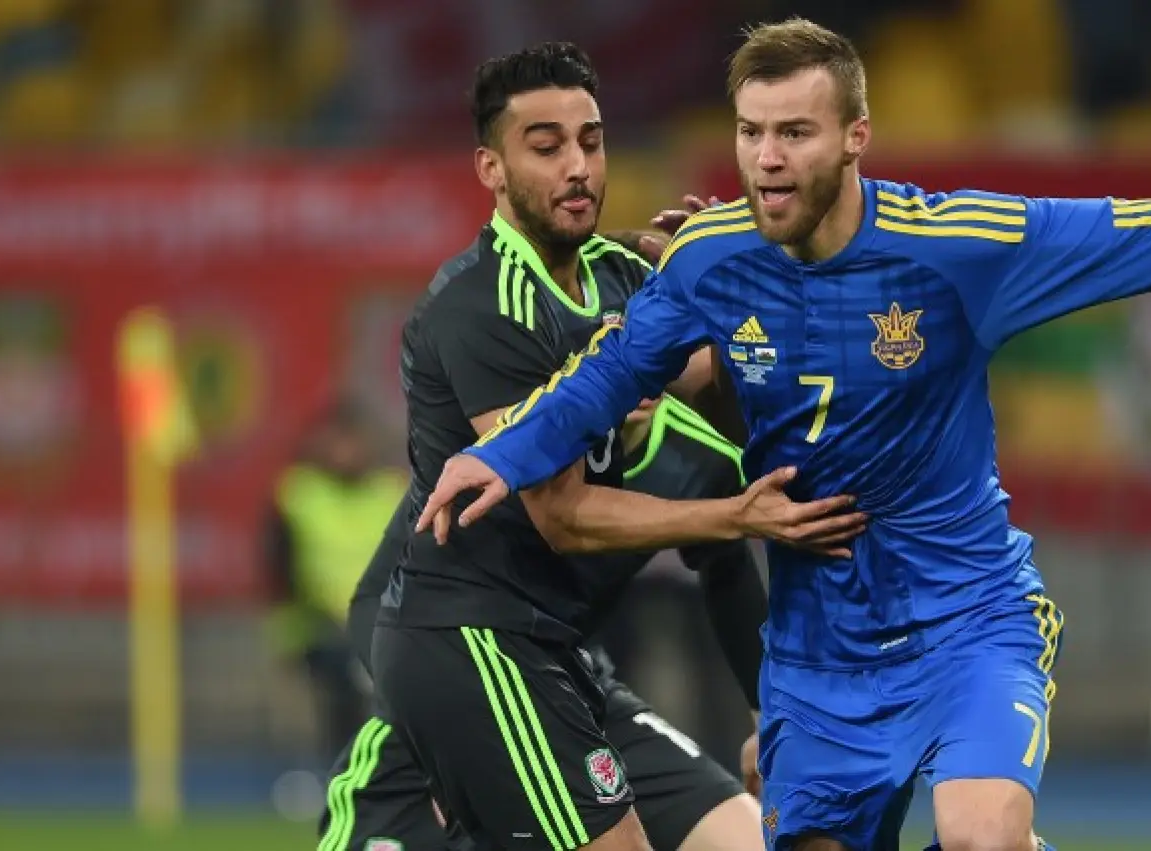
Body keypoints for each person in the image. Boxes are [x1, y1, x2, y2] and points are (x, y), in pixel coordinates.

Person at [418, 18, 1151, 851]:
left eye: (794, 133)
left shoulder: (958, 246)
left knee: (979, 829)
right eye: (750, 134)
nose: (767, 160)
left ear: (855, 139)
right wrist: (499, 454)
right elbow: (603, 382)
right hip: (818, 654)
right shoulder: (708, 258)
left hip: (965, 620)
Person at [369, 41, 860, 851]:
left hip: (564, 654)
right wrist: (738, 514)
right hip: (475, 643)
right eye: (546, 147)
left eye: (591, 142)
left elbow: (737, 410)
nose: (578, 168)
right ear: (492, 169)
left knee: (745, 841)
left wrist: (729, 291)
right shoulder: (483, 307)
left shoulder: (623, 276)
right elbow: (561, 514)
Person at [322, 394, 766, 851]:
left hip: (574, 692)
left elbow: (729, 572)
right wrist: (424, 725)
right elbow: (374, 597)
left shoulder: (701, 459)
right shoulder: (509, 437)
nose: (642, 381)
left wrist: (765, 719)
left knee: (752, 841)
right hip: (450, 698)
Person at [266, 398, 409, 762]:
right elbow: (280, 569)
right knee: (342, 700)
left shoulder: (390, 492)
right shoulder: (298, 494)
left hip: (381, 626)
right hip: (319, 629)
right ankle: (340, 772)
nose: (346, 451)